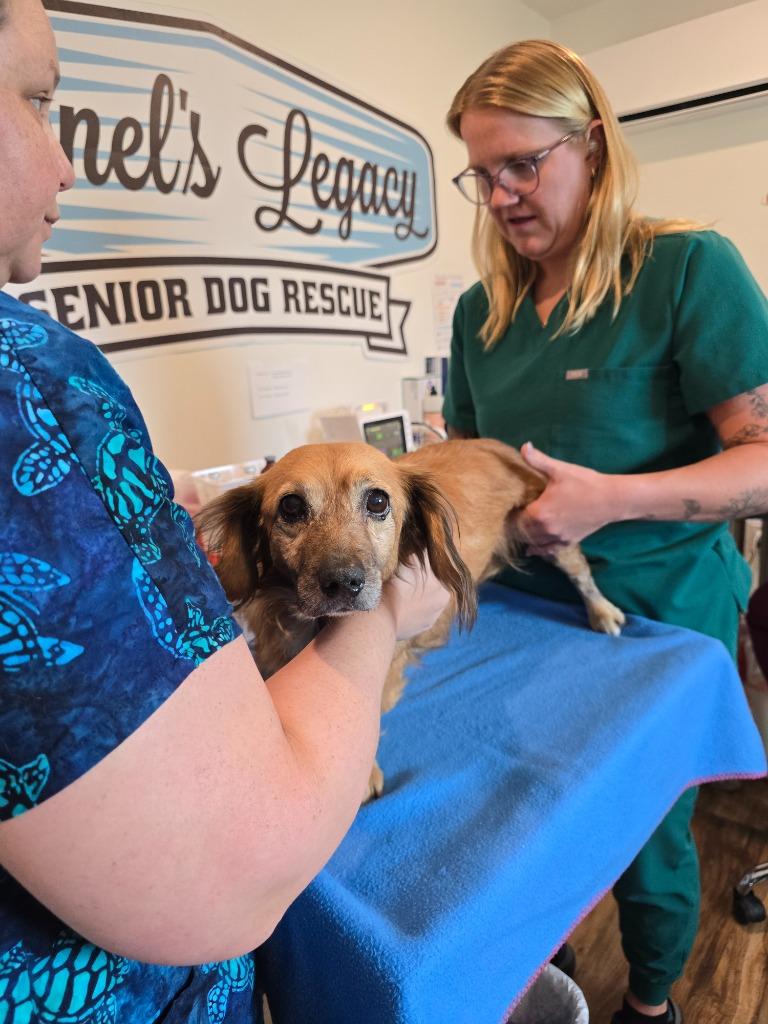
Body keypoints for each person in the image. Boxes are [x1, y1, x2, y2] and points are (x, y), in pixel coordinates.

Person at [0, 1, 450, 1020]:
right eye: (36, 100)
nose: (68, 164)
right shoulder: (24, 387)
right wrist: (383, 616)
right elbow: (228, 866)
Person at [443, 39, 768, 1024]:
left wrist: (612, 499)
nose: (500, 194)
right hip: (523, 616)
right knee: (530, 811)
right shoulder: (478, 314)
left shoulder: (684, 269)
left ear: (592, 146)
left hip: (658, 616)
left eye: (523, 164)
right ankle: (545, 971)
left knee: (648, 830)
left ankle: (657, 995)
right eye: (481, 172)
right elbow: (466, 462)